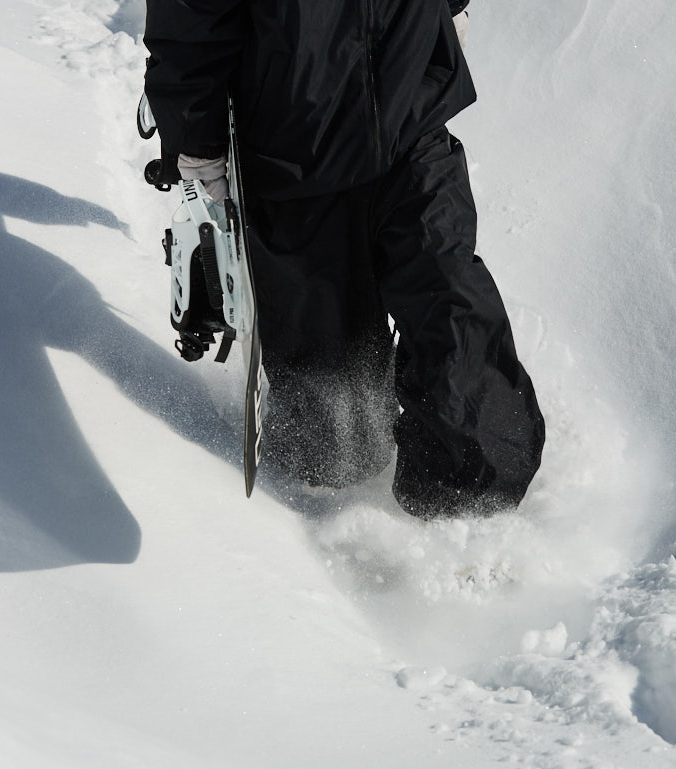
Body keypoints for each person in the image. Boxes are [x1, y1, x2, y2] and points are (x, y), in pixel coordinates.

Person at [143, 0, 544, 518]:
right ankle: (318, 526)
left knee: (452, 304)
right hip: (294, 158)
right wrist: (196, 139)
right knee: (332, 422)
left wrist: (450, 9)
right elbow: (188, 15)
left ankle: (468, 522)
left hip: (410, 127)